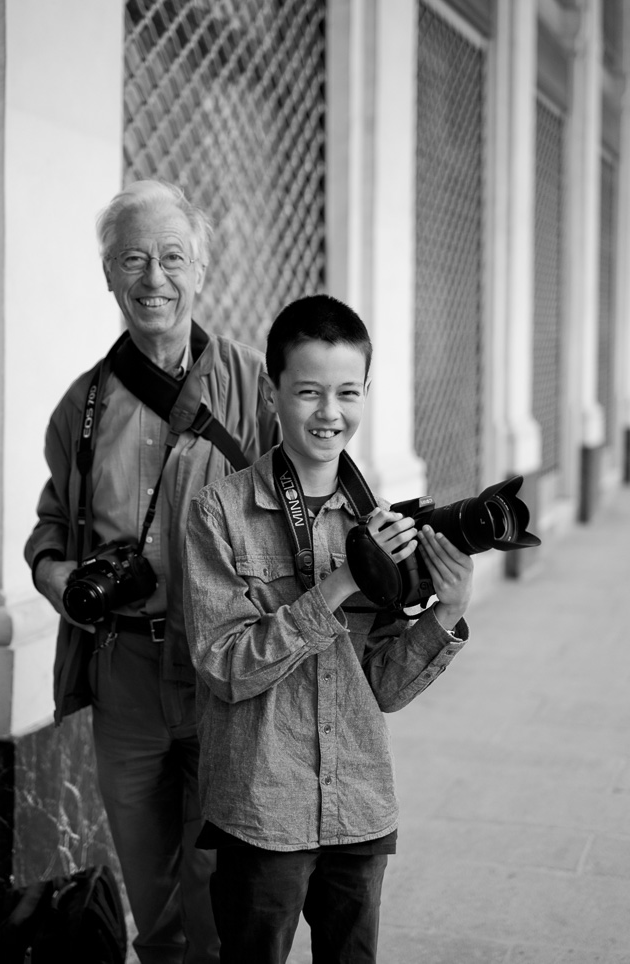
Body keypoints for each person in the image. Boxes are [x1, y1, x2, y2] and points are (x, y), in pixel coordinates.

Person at [24, 179, 280, 964]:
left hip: (220, 667)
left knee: (218, 885)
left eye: (172, 258)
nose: (153, 279)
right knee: (150, 889)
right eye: (132, 259)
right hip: (124, 673)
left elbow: (307, 506)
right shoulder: (82, 407)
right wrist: (58, 578)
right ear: (108, 275)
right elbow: (48, 530)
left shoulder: (251, 385)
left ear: (201, 270)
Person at [183, 293, 474, 962]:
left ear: (366, 391)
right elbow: (225, 668)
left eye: (347, 392)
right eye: (309, 391)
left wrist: (447, 612)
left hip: (360, 803)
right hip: (261, 808)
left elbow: (383, 688)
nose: (329, 413)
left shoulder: (385, 519)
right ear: (272, 388)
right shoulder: (218, 514)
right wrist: (341, 581)